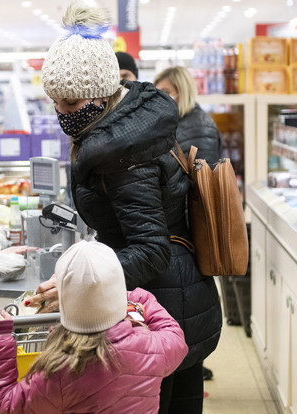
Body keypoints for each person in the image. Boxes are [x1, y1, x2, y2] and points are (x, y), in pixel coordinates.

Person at [26, 4, 222, 413]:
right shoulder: (125, 126)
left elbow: (150, 249)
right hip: (174, 295)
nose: (60, 113)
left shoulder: (124, 156)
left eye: (69, 103)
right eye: (55, 102)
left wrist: (76, 284)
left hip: (165, 301)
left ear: (100, 96)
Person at [0, 240, 188, 413]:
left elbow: (7, 406)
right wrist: (136, 298)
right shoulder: (152, 348)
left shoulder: (61, 370)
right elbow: (175, 335)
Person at [154, 66, 223, 383]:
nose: (162, 99)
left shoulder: (194, 127)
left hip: (186, 241)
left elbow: (195, 191)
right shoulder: (182, 123)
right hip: (184, 245)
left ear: (182, 92)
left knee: (179, 363)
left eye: (167, 92)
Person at [154, 66, 222, 167]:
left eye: (166, 92)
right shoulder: (176, 123)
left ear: (183, 92)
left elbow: (200, 178)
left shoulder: (198, 127)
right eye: (157, 94)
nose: (159, 99)